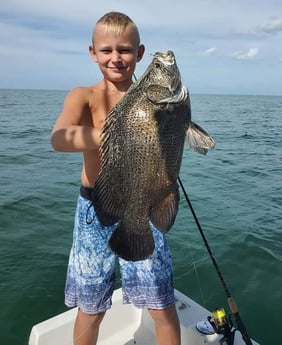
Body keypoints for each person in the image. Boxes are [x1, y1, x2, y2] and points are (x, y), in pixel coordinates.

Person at [51, 11, 181, 345]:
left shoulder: (155, 98)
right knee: (91, 307)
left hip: (145, 205)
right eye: (106, 50)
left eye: (124, 49)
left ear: (139, 54)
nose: (115, 58)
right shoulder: (84, 96)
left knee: (162, 303)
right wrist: (113, 135)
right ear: (93, 52)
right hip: (96, 210)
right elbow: (60, 138)